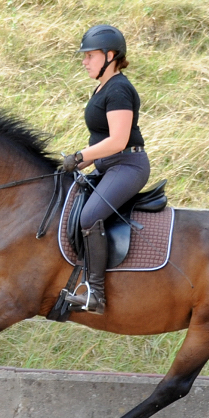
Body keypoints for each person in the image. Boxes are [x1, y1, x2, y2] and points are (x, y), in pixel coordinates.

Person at [62, 24, 151, 315]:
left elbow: (118, 140)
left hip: (127, 166)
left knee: (89, 215)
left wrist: (80, 155)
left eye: (90, 55)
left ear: (110, 55)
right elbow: (102, 140)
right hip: (108, 165)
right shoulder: (102, 87)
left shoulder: (120, 89)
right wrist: (78, 162)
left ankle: (96, 294)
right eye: (84, 56)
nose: (84, 61)